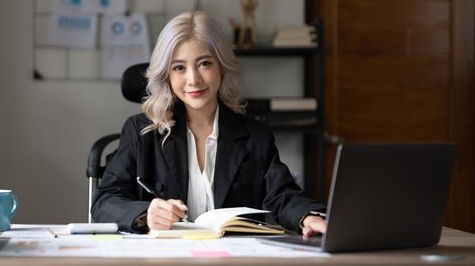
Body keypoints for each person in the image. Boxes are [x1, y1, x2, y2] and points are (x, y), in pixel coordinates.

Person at [91, 12, 327, 236]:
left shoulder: (255, 135)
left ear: (222, 66)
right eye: (179, 67)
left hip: (231, 257)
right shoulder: (140, 133)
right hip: (165, 258)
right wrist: (145, 213)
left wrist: (307, 216)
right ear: (167, 75)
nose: (194, 79)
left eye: (204, 63)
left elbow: (281, 194)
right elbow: (105, 202)